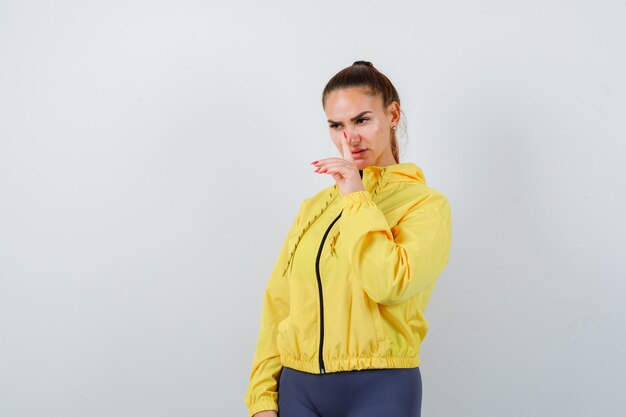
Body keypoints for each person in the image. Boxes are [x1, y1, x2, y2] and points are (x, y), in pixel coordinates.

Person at [243, 60, 452, 417]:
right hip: (297, 389)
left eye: (362, 120)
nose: (349, 138)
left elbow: (389, 284)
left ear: (393, 114)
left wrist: (356, 195)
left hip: (381, 387)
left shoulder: (425, 205)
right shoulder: (313, 209)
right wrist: (262, 399)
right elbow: (279, 305)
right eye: (336, 125)